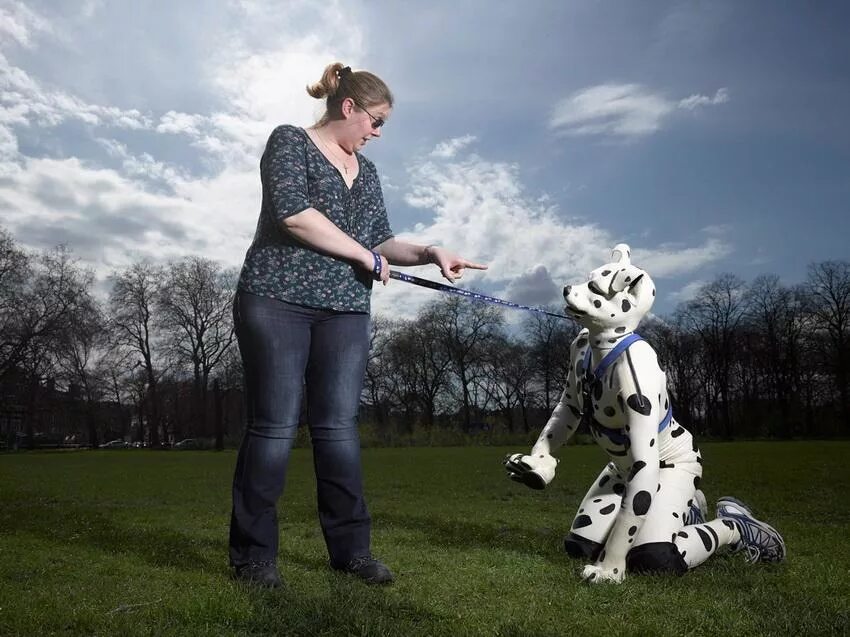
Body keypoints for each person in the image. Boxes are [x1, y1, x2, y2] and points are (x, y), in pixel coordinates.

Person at [229, 62, 487, 588]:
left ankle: (351, 553)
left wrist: (430, 250)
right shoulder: (290, 142)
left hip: (345, 311)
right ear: (348, 108)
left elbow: (381, 241)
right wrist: (364, 256)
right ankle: (254, 559)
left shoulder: (366, 173)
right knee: (275, 429)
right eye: (376, 120)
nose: (377, 133)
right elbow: (294, 214)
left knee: (339, 432)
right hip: (276, 299)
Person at [504, 244, 785, 583]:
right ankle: (685, 511)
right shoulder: (582, 345)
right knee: (579, 548)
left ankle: (735, 527)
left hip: (664, 465)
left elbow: (645, 467)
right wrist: (542, 456)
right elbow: (571, 405)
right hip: (625, 467)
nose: (573, 292)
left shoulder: (636, 368)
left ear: (628, 305)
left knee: (653, 559)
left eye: (594, 291)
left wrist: (614, 563)